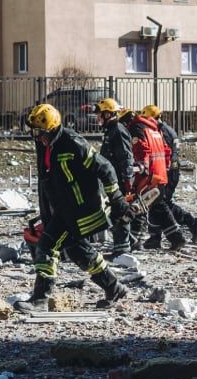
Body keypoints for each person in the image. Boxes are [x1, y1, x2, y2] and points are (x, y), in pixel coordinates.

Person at [15, 103, 130, 312]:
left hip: (80, 210)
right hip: (63, 210)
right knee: (79, 251)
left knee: (47, 247)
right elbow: (47, 183)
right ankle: (114, 288)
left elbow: (106, 168)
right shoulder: (45, 145)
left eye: (39, 132)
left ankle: (40, 299)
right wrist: (46, 214)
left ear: (50, 128)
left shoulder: (73, 143)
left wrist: (117, 198)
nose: (36, 136)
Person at [139, 105, 197, 249]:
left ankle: (191, 222)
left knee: (161, 204)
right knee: (157, 203)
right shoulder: (167, 129)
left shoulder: (160, 131)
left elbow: (163, 154)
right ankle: (155, 236)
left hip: (168, 171)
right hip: (169, 170)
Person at [123, 108, 187, 250]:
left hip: (148, 175)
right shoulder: (153, 129)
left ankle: (136, 240)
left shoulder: (136, 128)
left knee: (140, 205)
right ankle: (175, 238)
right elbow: (166, 150)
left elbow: (142, 150)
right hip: (160, 173)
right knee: (157, 207)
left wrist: (140, 168)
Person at [96, 97, 137, 256]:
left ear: (107, 114)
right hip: (112, 179)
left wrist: (127, 181)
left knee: (120, 213)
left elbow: (126, 157)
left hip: (119, 179)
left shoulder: (118, 131)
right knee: (113, 213)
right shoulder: (111, 130)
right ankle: (129, 241)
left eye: (100, 114)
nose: (98, 118)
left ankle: (122, 250)